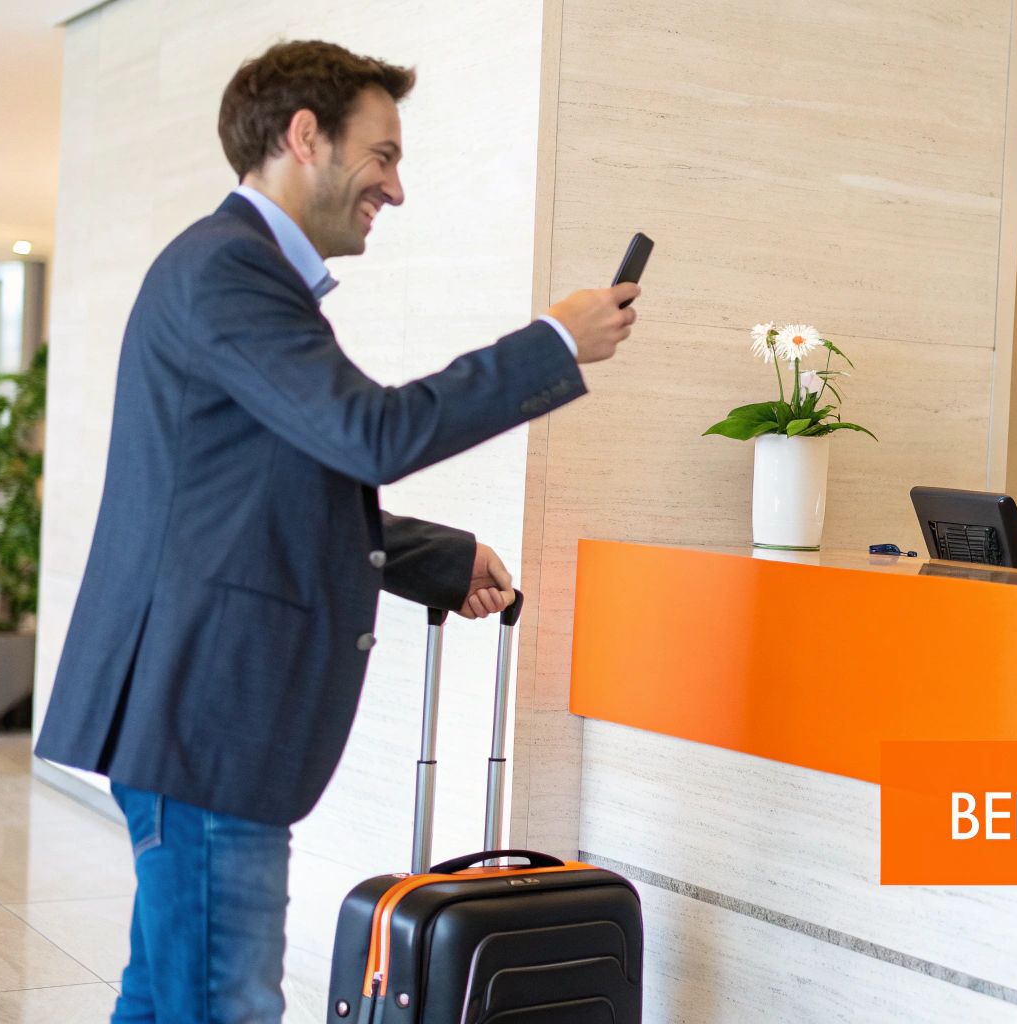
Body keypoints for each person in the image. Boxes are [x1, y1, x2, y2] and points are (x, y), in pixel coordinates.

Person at [34, 40, 640, 1023]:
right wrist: (555, 342)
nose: (395, 188)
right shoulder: (228, 271)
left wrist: (438, 560)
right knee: (217, 1005)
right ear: (304, 136)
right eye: (383, 154)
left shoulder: (239, 274)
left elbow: (268, 489)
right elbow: (372, 432)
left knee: (163, 998)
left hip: (195, 721)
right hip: (203, 723)